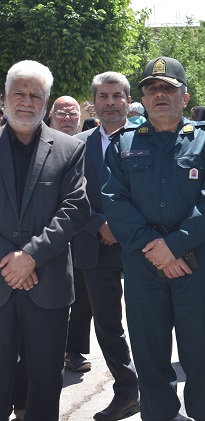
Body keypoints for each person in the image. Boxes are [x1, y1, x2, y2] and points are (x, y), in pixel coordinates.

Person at [102, 57, 205, 421]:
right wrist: (156, 250)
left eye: (168, 88)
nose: (160, 94)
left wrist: (173, 247)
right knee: (149, 355)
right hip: (143, 264)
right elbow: (114, 201)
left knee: (202, 355)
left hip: (196, 262)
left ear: (185, 97)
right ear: (143, 99)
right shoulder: (122, 144)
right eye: (152, 89)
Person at [0, 60, 90, 420]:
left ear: (46, 102)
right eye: (19, 93)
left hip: (48, 285)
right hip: (1, 279)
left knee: (46, 381)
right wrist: (10, 259)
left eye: (35, 95)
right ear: (5, 96)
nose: (26, 101)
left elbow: (75, 209)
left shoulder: (69, 149)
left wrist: (30, 257)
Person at [73, 72, 141, 421]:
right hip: (94, 246)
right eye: (103, 96)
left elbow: (155, 193)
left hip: (141, 247)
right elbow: (70, 195)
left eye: (117, 96)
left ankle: (157, 389)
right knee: (107, 325)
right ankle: (128, 391)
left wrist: (123, 228)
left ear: (128, 101)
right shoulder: (75, 145)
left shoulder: (148, 139)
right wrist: (99, 223)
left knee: (148, 321)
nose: (111, 102)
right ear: (94, 102)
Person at [47, 94, 97, 374]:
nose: (67, 118)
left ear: (79, 118)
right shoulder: (38, 144)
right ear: (51, 116)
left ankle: (74, 350)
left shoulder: (87, 145)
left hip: (83, 233)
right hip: (46, 234)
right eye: (61, 113)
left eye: (72, 113)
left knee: (82, 296)